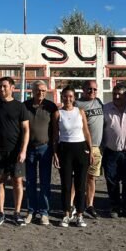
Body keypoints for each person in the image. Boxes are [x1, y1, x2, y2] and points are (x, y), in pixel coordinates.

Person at [0, 76, 30, 226]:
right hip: (0, 151)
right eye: (0, 86)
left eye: (5, 86)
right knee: (0, 181)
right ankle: (1, 213)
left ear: (12, 88)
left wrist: (23, 150)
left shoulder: (20, 107)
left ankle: (17, 213)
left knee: (17, 181)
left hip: (16, 151)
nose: (1, 89)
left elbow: (26, 130)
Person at [53, 87, 92, 227]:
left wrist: (90, 150)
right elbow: (55, 136)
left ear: (74, 97)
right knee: (66, 185)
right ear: (62, 97)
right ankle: (66, 214)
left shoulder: (80, 112)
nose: (68, 99)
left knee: (81, 184)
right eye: (65, 96)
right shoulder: (58, 113)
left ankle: (80, 215)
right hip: (65, 149)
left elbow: (86, 132)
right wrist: (55, 153)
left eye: (70, 96)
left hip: (80, 148)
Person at [101, 83, 126, 218]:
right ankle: (115, 206)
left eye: (120, 94)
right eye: (114, 94)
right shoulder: (105, 109)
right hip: (111, 151)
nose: (116, 96)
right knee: (112, 180)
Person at [24, 80, 57, 225]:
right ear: (32, 90)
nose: (41, 93)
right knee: (30, 181)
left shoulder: (51, 106)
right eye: (38, 90)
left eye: (44, 90)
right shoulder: (25, 106)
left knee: (45, 182)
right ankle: (31, 210)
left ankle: (44, 212)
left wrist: (55, 149)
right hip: (29, 148)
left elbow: (55, 130)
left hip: (45, 148)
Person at [76, 79, 104, 218]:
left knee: (91, 178)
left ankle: (90, 204)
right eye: (89, 89)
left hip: (97, 147)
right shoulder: (77, 104)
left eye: (94, 89)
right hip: (82, 146)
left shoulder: (99, 102)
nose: (92, 91)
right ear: (83, 89)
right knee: (78, 177)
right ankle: (74, 204)